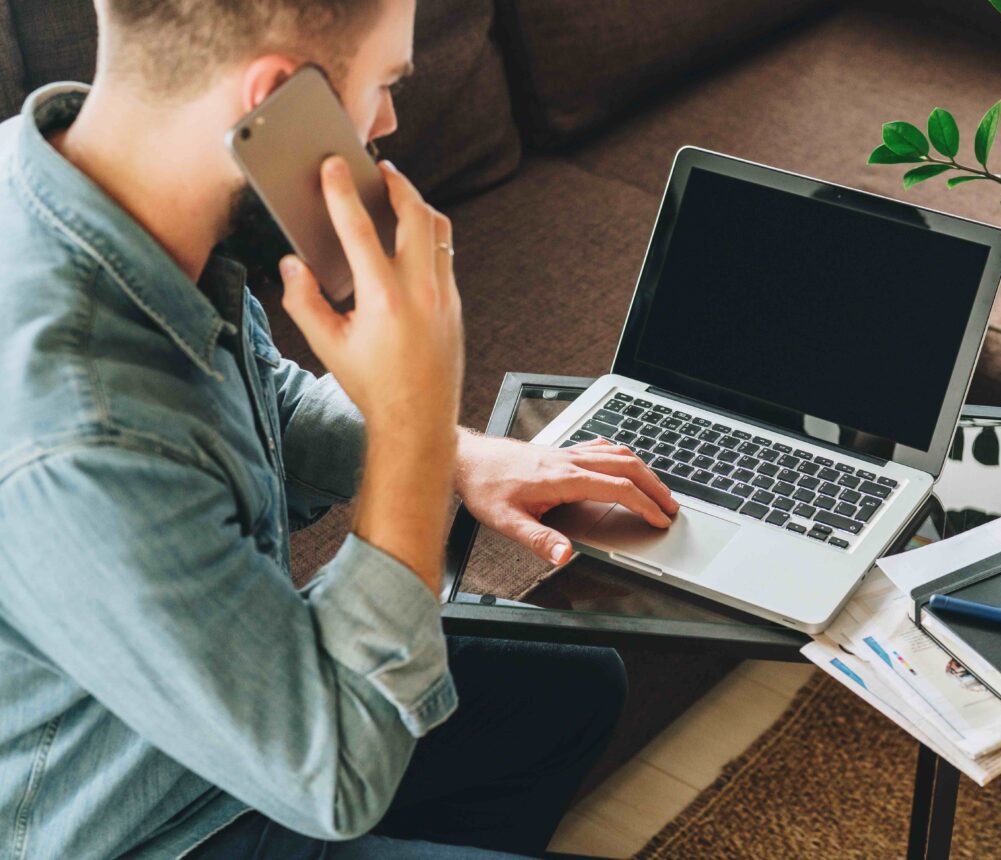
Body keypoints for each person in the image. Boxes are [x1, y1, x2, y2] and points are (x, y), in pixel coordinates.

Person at [0, 0, 680, 856]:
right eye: (387, 83)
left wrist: (462, 458)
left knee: (573, 696)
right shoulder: (84, 430)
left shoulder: (97, 195)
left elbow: (265, 400)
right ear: (276, 99)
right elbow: (342, 775)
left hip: (221, 708)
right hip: (144, 822)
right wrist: (414, 424)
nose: (389, 121)